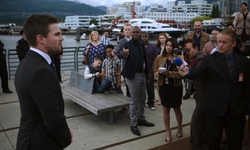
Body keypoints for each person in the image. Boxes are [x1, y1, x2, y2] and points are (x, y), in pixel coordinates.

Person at [177, 29, 250, 150]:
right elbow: (198, 72)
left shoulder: (244, 62)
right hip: (215, 109)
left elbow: (247, 87)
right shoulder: (209, 60)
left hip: (236, 111)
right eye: (219, 42)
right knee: (213, 142)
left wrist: (247, 107)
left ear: (233, 44)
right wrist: (187, 72)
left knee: (235, 142)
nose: (220, 45)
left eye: (224, 42)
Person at [14, 14, 72, 150]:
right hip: (41, 143)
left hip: (28, 139)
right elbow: (52, 116)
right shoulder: (41, 71)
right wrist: (66, 138)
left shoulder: (26, 63)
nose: (62, 38)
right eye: (57, 34)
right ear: (41, 39)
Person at [122, 26, 155, 136]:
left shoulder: (141, 44)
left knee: (142, 98)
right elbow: (121, 54)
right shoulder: (127, 44)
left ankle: (141, 118)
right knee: (134, 100)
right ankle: (133, 123)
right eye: (134, 32)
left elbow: (144, 59)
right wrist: (124, 55)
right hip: (132, 75)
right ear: (131, 33)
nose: (136, 34)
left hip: (142, 74)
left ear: (140, 33)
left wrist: (148, 73)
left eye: (138, 32)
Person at [154, 38, 183, 143]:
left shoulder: (179, 58)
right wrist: (159, 73)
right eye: (167, 45)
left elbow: (181, 74)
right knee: (165, 110)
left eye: (171, 45)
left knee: (177, 109)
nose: (168, 47)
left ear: (174, 47)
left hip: (176, 87)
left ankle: (180, 127)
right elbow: (155, 72)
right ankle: (168, 131)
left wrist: (168, 73)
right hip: (164, 86)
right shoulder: (159, 57)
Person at [184, 39, 206, 150]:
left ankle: (197, 146)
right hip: (200, 95)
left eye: (189, 50)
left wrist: (184, 67)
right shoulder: (193, 60)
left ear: (196, 49)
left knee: (196, 122)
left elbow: (196, 74)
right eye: (185, 50)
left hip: (204, 96)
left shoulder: (201, 60)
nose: (187, 52)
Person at [184, 21, 209, 100]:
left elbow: (208, 46)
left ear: (201, 26)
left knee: (197, 73)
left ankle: (196, 91)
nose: (197, 27)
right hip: (190, 56)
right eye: (196, 26)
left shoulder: (206, 36)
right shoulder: (190, 35)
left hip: (201, 55)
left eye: (199, 25)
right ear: (193, 27)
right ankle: (188, 92)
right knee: (187, 75)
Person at [114, 23, 132, 98]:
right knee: (128, 86)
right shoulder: (121, 41)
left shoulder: (136, 40)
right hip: (126, 66)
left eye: (129, 29)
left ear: (131, 30)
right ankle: (129, 103)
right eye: (126, 30)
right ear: (123, 31)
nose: (127, 31)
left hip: (136, 66)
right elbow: (118, 52)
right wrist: (123, 53)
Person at [141, 32, 157, 110]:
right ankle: (142, 103)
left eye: (145, 36)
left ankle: (151, 103)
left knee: (150, 87)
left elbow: (155, 59)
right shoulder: (139, 47)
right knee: (142, 88)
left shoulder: (152, 47)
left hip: (150, 69)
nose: (144, 38)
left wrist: (153, 69)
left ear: (148, 37)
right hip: (141, 70)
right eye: (143, 36)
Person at [155, 33, 168, 105]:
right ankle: (160, 98)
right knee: (158, 83)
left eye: (163, 38)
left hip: (166, 66)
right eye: (160, 38)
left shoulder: (168, 46)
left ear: (166, 38)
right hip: (158, 66)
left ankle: (166, 97)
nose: (162, 39)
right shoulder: (156, 47)